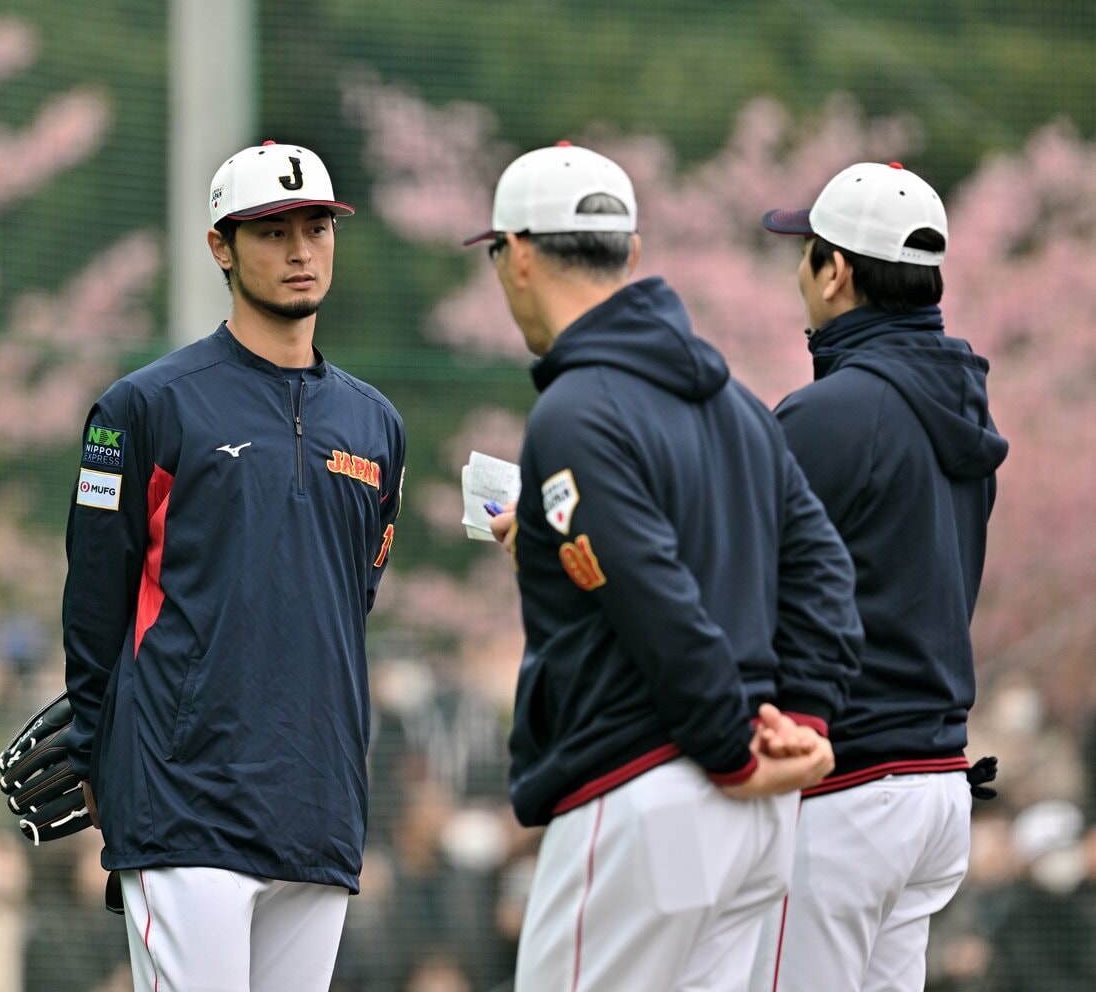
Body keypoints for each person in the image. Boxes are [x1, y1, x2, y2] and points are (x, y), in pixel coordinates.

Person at [467, 142, 863, 991]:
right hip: (756, 812)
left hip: (646, 792)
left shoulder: (574, 410)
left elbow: (652, 593)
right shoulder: (737, 405)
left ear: (520, 254)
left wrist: (733, 748)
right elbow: (824, 567)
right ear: (632, 254)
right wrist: (802, 717)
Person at [61, 141, 407, 992]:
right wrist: (95, 749)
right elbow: (94, 603)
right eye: (272, 230)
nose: (300, 250)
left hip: (318, 802)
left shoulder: (377, 426)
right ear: (221, 245)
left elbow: (349, 600)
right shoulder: (143, 406)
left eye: (316, 227)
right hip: (182, 796)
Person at [751, 162, 1008, 992]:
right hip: (935, 784)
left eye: (806, 252)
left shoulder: (830, 413)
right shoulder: (965, 406)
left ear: (837, 270)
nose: (799, 272)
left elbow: (747, 583)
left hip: (849, 785)